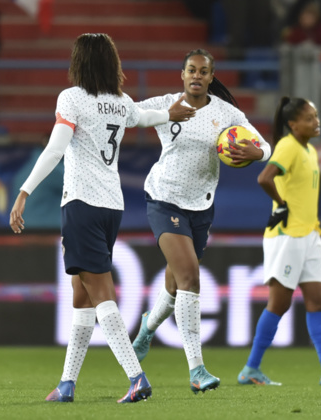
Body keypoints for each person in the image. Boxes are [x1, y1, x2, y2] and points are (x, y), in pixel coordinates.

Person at [9, 33, 195, 404]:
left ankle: (136, 376)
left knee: (99, 291)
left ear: (79, 63)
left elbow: (55, 149)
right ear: (111, 63)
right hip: (112, 206)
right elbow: (142, 117)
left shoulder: (72, 99)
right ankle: (67, 384)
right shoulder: (119, 102)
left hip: (81, 203)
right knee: (82, 293)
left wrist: (24, 191)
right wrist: (169, 114)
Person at [131, 48, 271, 394]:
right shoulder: (167, 102)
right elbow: (129, 114)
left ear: (211, 77)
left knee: (176, 283)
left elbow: (264, 146)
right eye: (190, 70)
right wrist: (163, 114)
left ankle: (148, 327)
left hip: (201, 206)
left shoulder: (227, 113)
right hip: (164, 198)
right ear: (182, 74)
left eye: (203, 71)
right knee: (190, 276)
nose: (196, 75)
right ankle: (197, 370)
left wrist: (258, 153)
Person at [233, 96, 321, 386]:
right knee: (278, 304)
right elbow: (264, 178)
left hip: (310, 235)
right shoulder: (289, 146)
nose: (316, 122)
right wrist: (280, 204)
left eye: (316, 116)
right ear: (293, 124)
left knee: (318, 301)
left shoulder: (309, 150)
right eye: (309, 118)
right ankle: (250, 369)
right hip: (287, 236)